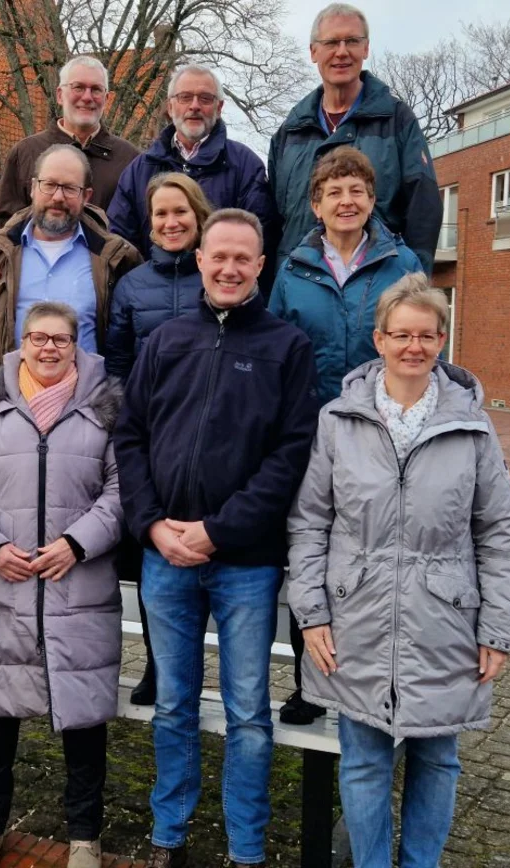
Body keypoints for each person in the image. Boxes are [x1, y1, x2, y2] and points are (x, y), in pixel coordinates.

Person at [288, 275, 510, 868]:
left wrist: (497, 626)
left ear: (442, 340)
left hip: (443, 616)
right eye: (401, 334)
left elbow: (496, 529)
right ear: (379, 339)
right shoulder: (338, 420)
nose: (413, 346)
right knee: (364, 758)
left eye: (426, 335)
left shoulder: (471, 425)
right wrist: (311, 612)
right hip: (357, 612)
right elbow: (310, 521)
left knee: (438, 758)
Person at [114, 209, 321, 868]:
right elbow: (130, 438)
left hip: (246, 565)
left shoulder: (287, 348)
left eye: (243, 258)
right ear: (200, 259)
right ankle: (168, 836)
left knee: (249, 715)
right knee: (173, 706)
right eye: (218, 256)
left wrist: (217, 530)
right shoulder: (166, 340)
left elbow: (292, 455)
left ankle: (246, 848)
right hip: (164, 557)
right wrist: (150, 524)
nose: (229, 268)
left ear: (261, 266)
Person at [0, 301, 124, 868]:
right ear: (21, 343)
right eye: (38, 338)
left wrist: (77, 542)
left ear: (77, 346)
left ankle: (84, 838)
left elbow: (124, 489)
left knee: (84, 720)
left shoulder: (105, 408)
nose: (49, 349)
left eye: (61, 340)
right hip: (5, 587)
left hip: (79, 589)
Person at [267, 145, 423, 725]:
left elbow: (417, 348)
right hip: (308, 435)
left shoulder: (401, 264)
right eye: (334, 191)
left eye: (356, 190)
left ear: (372, 199)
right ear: (316, 203)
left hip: (378, 438)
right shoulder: (292, 269)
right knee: (308, 554)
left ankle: (377, 680)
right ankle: (310, 684)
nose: (346, 200)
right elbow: (276, 352)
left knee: (369, 557)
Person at [104, 171, 211, 705]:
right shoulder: (133, 285)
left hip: (211, 438)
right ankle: (156, 666)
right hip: (153, 441)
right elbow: (118, 366)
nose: (171, 222)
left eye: (180, 213)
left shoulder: (216, 277)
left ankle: (199, 671)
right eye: (161, 215)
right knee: (156, 552)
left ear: (197, 218)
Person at [0, 144, 141, 419]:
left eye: (69, 188)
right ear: (32, 188)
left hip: (86, 416)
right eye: (49, 185)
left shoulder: (116, 257)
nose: (57, 197)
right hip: (7, 410)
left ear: (86, 196)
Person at [269, 3, 441, 273]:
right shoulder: (289, 133)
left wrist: (416, 283)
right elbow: (275, 219)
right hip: (300, 286)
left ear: (366, 48)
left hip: (379, 285)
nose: (342, 52)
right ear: (314, 52)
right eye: (331, 42)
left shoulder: (397, 120)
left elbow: (423, 209)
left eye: (352, 41)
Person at [106, 64, 274, 260]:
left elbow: (259, 238)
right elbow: (120, 242)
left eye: (205, 98)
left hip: (218, 286)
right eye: (185, 97)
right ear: (170, 107)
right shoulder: (139, 169)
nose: (194, 106)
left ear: (219, 108)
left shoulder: (245, 165)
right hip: (153, 287)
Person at [0, 56, 140, 229]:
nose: (87, 97)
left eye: (96, 90)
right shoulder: (25, 153)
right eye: (78, 87)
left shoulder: (130, 160)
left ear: (106, 99)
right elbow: (5, 232)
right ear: (60, 95)